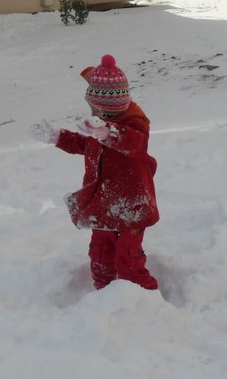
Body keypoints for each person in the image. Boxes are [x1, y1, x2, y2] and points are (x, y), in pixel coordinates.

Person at [32, 54, 159, 290]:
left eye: (96, 108)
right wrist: (57, 137)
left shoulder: (134, 124)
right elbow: (84, 145)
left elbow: (134, 143)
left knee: (128, 257)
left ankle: (143, 298)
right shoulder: (98, 125)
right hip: (103, 202)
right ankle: (103, 291)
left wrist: (108, 133)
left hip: (132, 204)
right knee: (100, 251)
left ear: (110, 109)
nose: (92, 111)